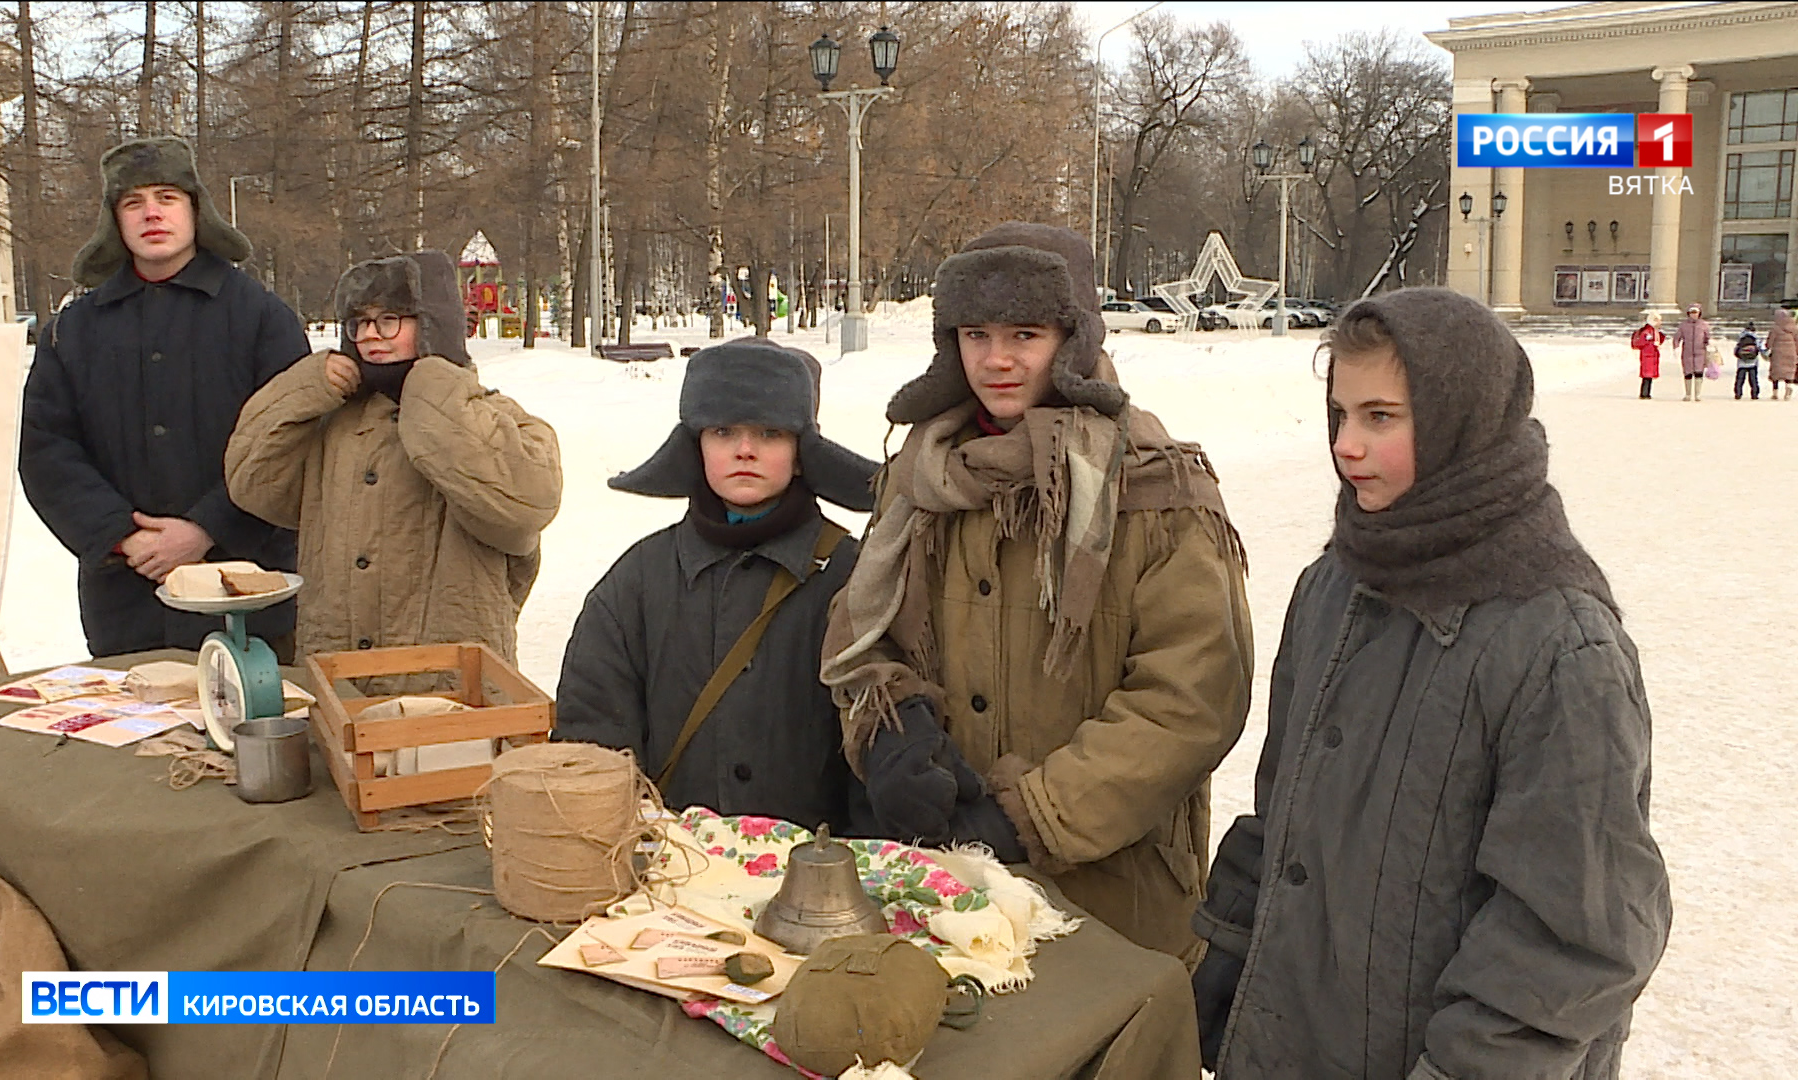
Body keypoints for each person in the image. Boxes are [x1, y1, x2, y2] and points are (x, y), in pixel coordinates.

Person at [1191, 289, 1671, 1080]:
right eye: (1339, 413)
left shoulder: (1559, 644)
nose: (1347, 445)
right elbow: (1284, 812)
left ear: (1463, 423)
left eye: (1381, 417)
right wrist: (1228, 956)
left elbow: (1574, 937)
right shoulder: (1332, 586)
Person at [819, 222, 1254, 961]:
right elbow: (865, 638)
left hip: (1113, 908)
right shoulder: (915, 480)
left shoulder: (1158, 489)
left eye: (1026, 333)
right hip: (946, 901)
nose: (997, 359)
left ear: (1075, 340)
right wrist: (893, 731)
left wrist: (1034, 816)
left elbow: (1192, 700)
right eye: (975, 333)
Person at [554, 338, 878, 831]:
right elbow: (593, 735)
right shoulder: (635, 583)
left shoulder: (853, 576)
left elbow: (880, 748)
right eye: (724, 431)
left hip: (820, 885)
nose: (744, 450)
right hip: (673, 874)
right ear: (696, 444)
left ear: (799, 451)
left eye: (769, 432)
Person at [20, 136, 307, 659]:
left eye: (167, 197)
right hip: (127, 601)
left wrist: (205, 528)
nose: (151, 213)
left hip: (247, 597)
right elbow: (47, 452)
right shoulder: (73, 332)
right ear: (115, 220)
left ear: (196, 209)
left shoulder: (262, 319)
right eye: (134, 202)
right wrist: (122, 536)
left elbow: (291, 446)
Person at [223, 251, 562, 667]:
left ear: (432, 323)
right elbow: (250, 481)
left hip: (452, 688)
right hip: (340, 679)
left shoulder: (500, 420)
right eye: (360, 322)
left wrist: (431, 381)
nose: (370, 335)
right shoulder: (331, 428)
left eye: (388, 320)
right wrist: (304, 387)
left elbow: (525, 506)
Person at [1673, 302, 1711, 401]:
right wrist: (1676, 347)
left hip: (1700, 352)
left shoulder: (1704, 325)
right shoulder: (1683, 325)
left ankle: (1697, 394)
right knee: (1688, 373)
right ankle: (1688, 394)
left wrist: (1709, 344)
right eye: (1692, 312)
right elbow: (1677, 338)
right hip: (1687, 353)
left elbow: (1708, 337)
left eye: (1696, 312)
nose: (1694, 314)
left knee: (1699, 372)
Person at [1629, 313, 1663, 399]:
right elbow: (1642, 342)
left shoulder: (1653, 331)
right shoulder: (1648, 331)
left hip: (1651, 356)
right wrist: (1651, 342)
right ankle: (1644, 393)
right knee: (1647, 376)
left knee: (1649, 376)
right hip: (1648, 356)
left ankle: (1646, 392)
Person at [1767, 307, 1797, 400]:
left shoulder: (1775, 328)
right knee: (1789, 372)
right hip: (1791, 352)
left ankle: (1775, 393)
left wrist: (1767, 347)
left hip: (1778, 353)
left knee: (1776, 373)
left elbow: (1770, 341)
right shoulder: (1794, 328)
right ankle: (1788, 390)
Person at [1733, 321, 1762, 400]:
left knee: (1740, 379)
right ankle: (1754, 394)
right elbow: (1760, 348)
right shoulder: (1756, 338)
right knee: (1753, 379)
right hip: (1753, 362)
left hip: (1741, 362)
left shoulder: (1741, 337)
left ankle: (1738, 394)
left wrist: (1739, 356)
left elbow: (1736, 350)